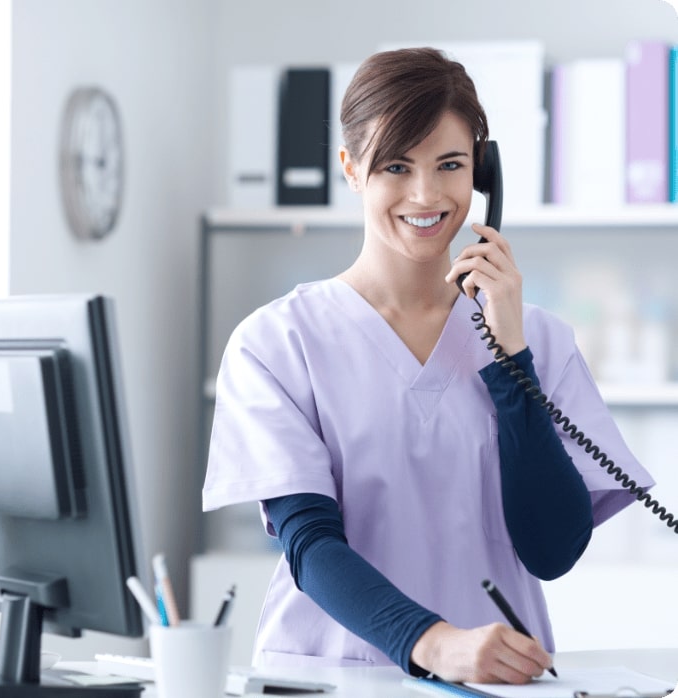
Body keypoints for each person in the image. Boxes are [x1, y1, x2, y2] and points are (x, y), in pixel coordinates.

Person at [203, 47, 654, 683]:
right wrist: (434, 643)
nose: (426, 193)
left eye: (450, 164)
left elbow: (551, 551)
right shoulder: (276, 343)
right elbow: (308, 541)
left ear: (483, 172)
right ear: (351, 170)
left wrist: (510, 362)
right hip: (334, 677)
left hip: (493, 682)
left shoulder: (537, 343)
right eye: (395, 165)